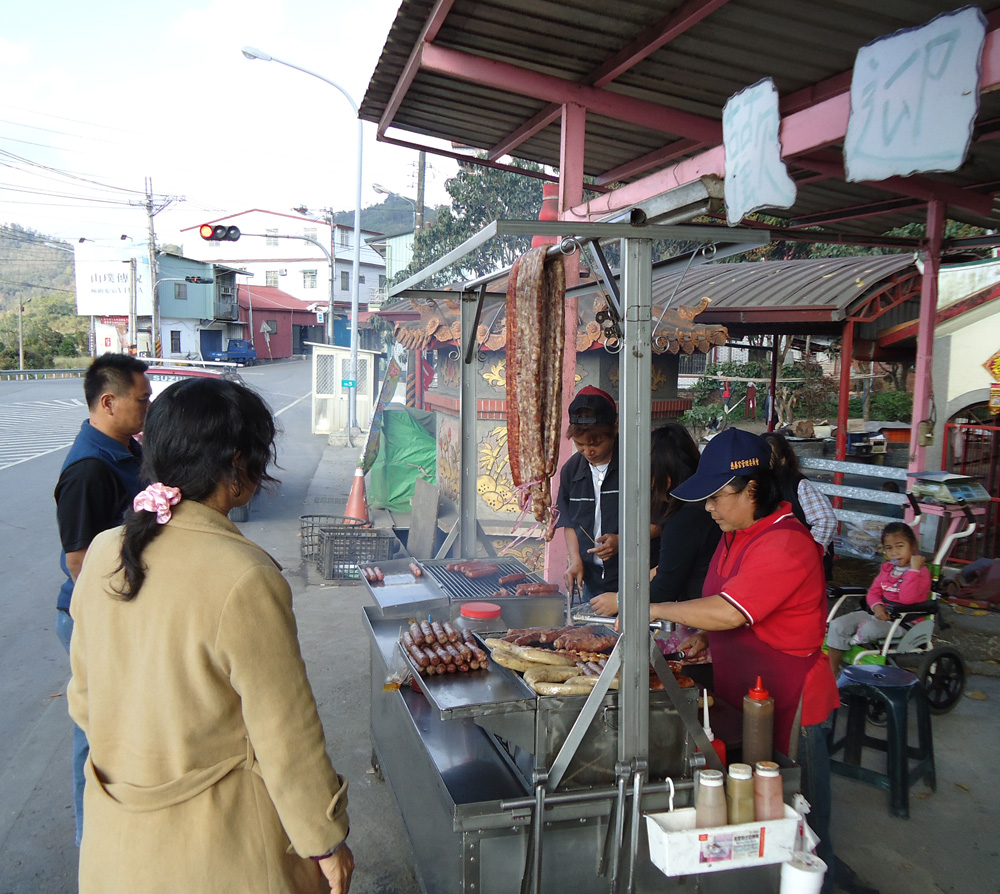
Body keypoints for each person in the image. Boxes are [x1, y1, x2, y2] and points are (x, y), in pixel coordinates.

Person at [67, 378, 354, 894]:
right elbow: (285, 735)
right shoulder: (243, 575)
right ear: (237, 466)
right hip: (218, 855)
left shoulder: (104, 552)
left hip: (115, 852)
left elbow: (85, 703)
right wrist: (324, 841)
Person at [640, 428, 839, 883]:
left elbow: (731, 611)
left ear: (752, 489)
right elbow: (738, 604)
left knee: (802, 823)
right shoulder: (736, 535)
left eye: (716, 497)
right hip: (748, 696)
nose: (708, 508)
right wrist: (709, 639)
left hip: (792, 704)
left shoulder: (786, 541)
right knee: (759, 813)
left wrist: (647, 607)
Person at [54, 352, 151, 845]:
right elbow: (80, 563)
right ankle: (89, 840)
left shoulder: (125, 449)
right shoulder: (90, 468)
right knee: (92, 728)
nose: (148, 406)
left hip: (119, 609)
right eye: (141, 398)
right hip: (94, 617)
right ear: (108, 401)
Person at [589, 423, 720, 617]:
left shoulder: (685, 520)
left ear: (666, 480)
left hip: (702, 615)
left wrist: (620, 601)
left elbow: (664, 590)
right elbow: (673, 565)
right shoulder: (697, 508)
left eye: (647, 476)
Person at [827, 523, 931, 675]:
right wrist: (877, 607)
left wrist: (913, 570)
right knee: (837, 625)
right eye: (889, 548)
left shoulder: (921, 573)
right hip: (878, 614)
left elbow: (907, 599)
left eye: (900, 546)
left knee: (869, 628)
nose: (894, 553)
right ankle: (831, 674)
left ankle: (853, 644)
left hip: (903, 621)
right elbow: (874, 592)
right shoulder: (887, 568)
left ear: (913, 546)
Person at [557, 386, 620, 599]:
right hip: (591, 578)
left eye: (596, 444)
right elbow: (568, 522)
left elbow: (659, 521)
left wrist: (622, 541)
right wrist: (575, 560)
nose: (588, 451)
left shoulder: (634, 466)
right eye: (580, 444)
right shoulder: (571, 469)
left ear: (615, 430)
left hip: (631, 576)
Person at [763, 431, 837, 581]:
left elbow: (826, 521)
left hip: (804, 568)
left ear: (783, 460)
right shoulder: (761, 486)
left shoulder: (799, 485)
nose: (762, 462)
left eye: (768, 458)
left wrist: (807, 553)